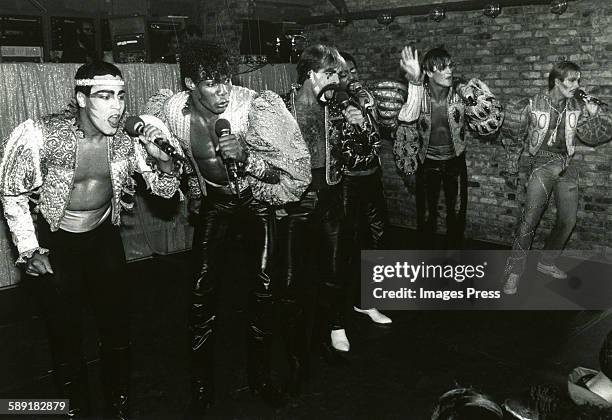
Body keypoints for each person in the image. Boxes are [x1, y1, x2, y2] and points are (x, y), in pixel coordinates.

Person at [0, 61, 182, 418]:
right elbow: (11, 191)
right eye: (104, 96)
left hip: (102, 238)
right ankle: (73, 408)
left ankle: (119, 401)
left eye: (121, 96)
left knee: (116, 328)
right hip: (58, 242)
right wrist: (28, 248)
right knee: (65, 333)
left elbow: (164, 191)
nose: (117, 106)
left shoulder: (129, 142)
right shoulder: (43, 135)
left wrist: (164, 162)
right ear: (82, 99)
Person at [143, 40, 311, 413]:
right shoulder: (171, 112)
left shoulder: (253, 107)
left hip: (256, 201)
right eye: (211, 83)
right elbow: (171, 158)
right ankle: (202, 390)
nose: (223, 91)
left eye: (226, 80)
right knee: (200, 294)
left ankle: (260, 377)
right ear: (190, 84)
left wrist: (248, 157)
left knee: (265, 292)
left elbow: (292, 175)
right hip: (217, 205)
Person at [500, 61, 612, 294]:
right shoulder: (534, 103)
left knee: (568, 221)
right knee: (529, 220)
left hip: (565, 164)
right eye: (572, 80)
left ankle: (547, 262)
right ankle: (513, 272)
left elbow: (593, 138)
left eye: (578, 80)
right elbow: (514, 137)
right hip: (540, 162)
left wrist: (594, 116)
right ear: (557, 81)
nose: (577, 85)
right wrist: (512, 167)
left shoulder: (577, 106)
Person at [397, 46, 503, 249]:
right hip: (426, 164)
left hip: (455, 162)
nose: (449, 71)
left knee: (456, 216)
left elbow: (489, 122)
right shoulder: (419, 95)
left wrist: (488, 101)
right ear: (428, 72)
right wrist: (414, 82)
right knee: (426, 217)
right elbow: (406, 118)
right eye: (442, 67)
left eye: (450, 66)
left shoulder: (461, 95)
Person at [337, 50, 392, 325]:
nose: (351, 77)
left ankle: (367, 301)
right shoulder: (332, 104)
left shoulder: (365, 98)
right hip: (347, 181)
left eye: (354, 71)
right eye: (345, 73)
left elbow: (381, 130)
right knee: (347, 244)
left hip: (372, 176)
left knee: (379, 237)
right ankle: (337, 310)